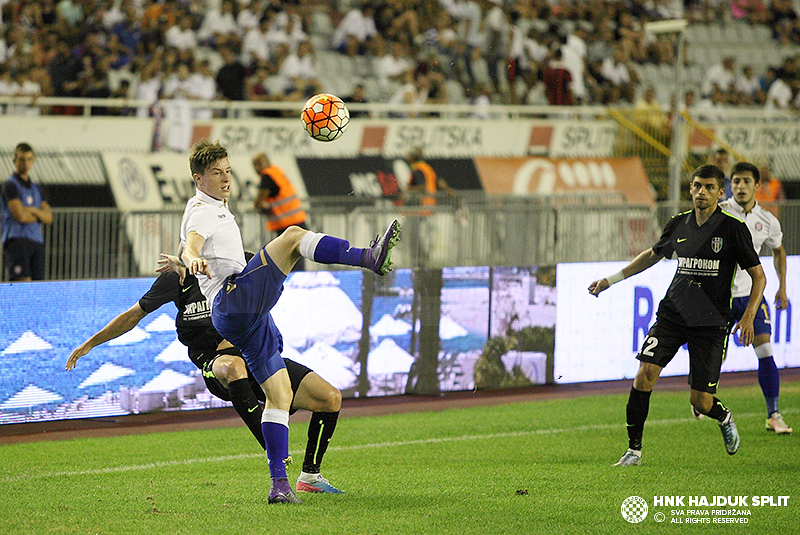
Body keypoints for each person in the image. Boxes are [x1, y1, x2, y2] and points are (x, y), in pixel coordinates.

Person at [175, 140, 400, 503]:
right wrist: (190, 256)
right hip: (235, 300)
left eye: (228, 171)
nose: (226, 179)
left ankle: (279, 486)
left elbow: (195, 243)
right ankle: (368, 257)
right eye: (216, 173)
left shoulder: (207, 205)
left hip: (242, 319)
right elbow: (193, 242)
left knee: (279, 396)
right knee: (294, 235)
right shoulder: (203, 211)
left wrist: (189, 259)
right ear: (199, 179)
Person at [65, 263, 346, 492]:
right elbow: (133, 315)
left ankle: (310, 477)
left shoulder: (241, 262)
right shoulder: (178, 276)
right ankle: (273, 452)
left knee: (330, 398)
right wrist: (91, 343)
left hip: (257, 355)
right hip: (215, 363)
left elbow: (272, 283)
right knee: (234, 366)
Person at [588, 164, 766, 466]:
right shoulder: (679, 224)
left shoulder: (733, 229)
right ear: (691, 189)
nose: (701, 192)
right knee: (644, 375)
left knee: (700, 401)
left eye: (709, 187)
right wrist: (610, 280)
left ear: (720, 192)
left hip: (710, 324)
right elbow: (652, 255)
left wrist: (748, 315)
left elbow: (759, 276)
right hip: (673, 314)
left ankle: (723, 416)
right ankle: (634, 450)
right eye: (697, 186)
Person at [717, 162, 792, 434]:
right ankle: (701, 397)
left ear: (757, 186)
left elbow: (778, 251)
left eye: (746, 181)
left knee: (765, 349)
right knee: (715, 355)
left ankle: (773, 414)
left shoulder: (768, 221)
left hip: (752, 296)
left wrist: (782, 287)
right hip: (720, 296)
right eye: (735, 181)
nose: (740, 186)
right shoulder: (720, 212)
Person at [1, 142, 52, 281]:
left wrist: (32, 210)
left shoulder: (37, 188)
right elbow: (20, 216)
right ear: (14, 160)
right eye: (22, 159)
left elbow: (49, 217)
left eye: (29, 159)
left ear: (33, 160)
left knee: (37, 287)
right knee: (22, 285)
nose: (26, 163)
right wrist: (39, 215)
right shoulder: (10, 185)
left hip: (36, 241)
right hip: (17, 240)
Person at [252, 153, 308, 271]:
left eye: (259, 164)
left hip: (286, 224)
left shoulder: (267, 177)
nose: (257, 168)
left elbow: (258, 202)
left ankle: (292, 283)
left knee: (287, 259)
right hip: (297, 219)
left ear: (266, 162)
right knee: (298, 255)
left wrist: (265, 209)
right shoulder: (276, 171)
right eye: (255, 165)